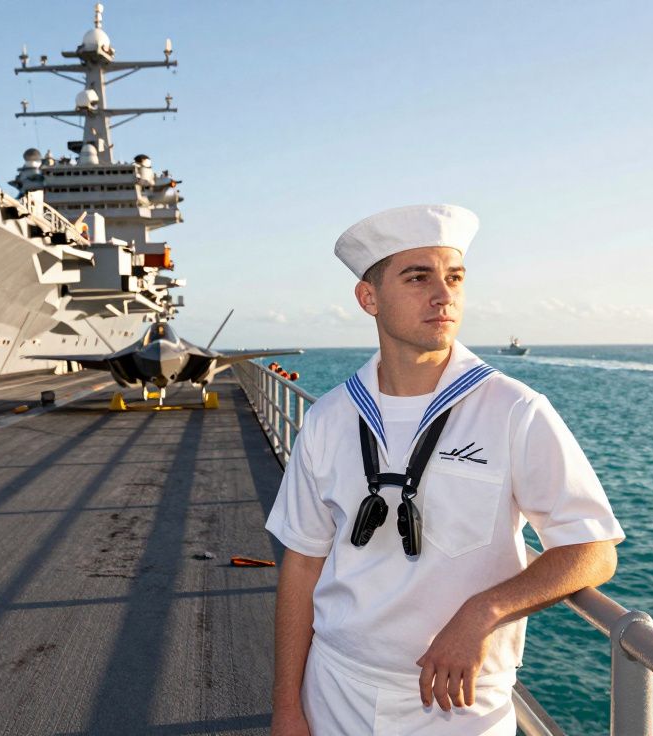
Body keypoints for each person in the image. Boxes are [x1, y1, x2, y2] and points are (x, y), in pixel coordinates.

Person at [266, 204, 624, 735]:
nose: (444, 295)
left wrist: (484, 611)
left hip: (459, 705)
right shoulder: (330, 417)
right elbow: (301, 564)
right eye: (418, 277)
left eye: (455, 278)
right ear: (370, 298)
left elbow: (592, 550)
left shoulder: (513, 410)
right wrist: (287, 708)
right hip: (336, 686)